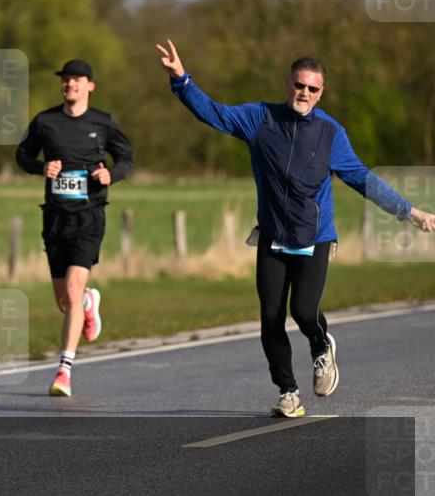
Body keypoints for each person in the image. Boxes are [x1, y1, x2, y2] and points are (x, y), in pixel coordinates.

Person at [156, 39, 435, 417]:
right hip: (273, 235)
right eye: (299, 85)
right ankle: (288, 391)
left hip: (314, 238)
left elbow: (362, 179)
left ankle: (321, 346)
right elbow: (213, 113)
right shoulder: (260, 119)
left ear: (321, 93)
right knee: (271, 318)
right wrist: (181, 79)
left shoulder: (331, 133)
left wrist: (410, 212)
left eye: (312, 88)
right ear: (287, 84)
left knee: (304, 311)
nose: (304, 93)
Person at [15, 59, 134, 397]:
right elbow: (22, 155)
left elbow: (126, 158)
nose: (70, 84)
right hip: (55, 217)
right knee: (64, 301)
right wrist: (41, 168)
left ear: (90, 86)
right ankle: (87, 302)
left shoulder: (103, 122)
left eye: (77, 80)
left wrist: (111, 174)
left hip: (89, 215)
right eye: (66, 80)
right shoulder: (45, 121)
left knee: (72, 287)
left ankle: (64, 370)